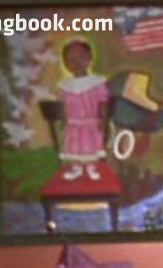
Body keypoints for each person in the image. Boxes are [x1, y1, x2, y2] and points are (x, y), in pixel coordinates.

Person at [55, 39, 110, 182]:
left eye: (81, 57)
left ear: (90, 58)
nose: (77, 63)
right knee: (74, 147)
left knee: (90, 146)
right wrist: (64, 120)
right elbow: (64, 105)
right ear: (65, 63)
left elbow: (103, 103)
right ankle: (76, 168)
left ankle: (91, 167)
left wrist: (103, 120)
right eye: (71, 60)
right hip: (73, 123)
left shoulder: (97, 82)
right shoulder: (65, 85)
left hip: (91, 122)